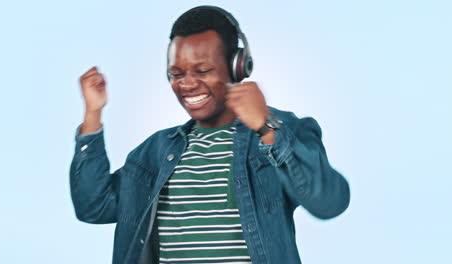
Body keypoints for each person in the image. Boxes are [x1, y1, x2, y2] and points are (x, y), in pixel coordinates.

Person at [70, 5, 350, 264]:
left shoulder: (283, 130)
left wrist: (266, 127)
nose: (187, 84)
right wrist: (93, 114)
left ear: (238, 66)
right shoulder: (154, 152)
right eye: (176, 74)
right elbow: (94, 207)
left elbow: (329, 202)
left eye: (202, 70)